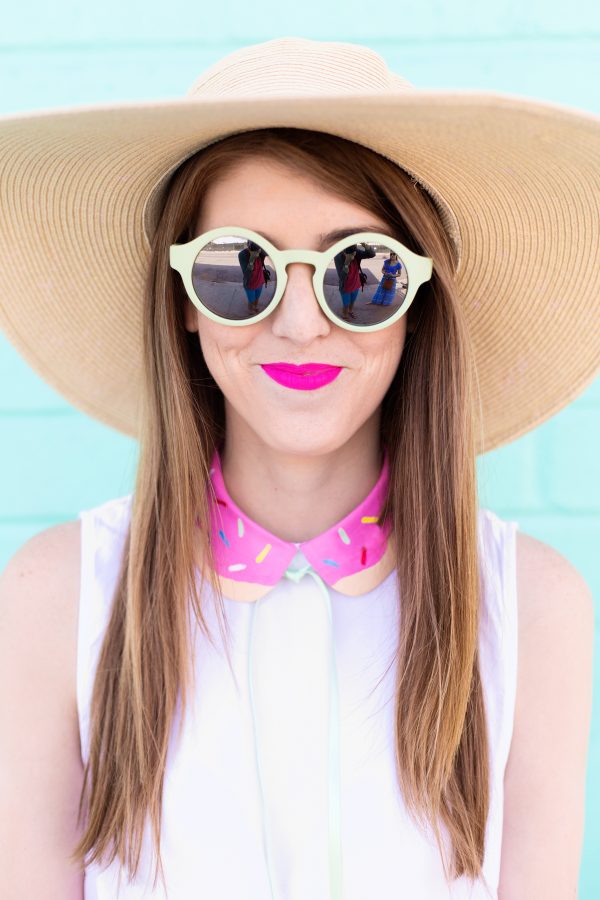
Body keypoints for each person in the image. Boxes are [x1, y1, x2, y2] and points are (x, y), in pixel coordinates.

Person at [0, 37, 597, 900]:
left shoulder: (532, 607)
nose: (301, 322)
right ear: (185, 310)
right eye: (242, 272)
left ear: (417, 306)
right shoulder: (58, 598)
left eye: (362, 273)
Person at [333, 240, 376, 320]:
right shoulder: (338, 256)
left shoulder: (355, 251)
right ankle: (345, 315)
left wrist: (364, 244)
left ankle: (350, 311)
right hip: (345, 287)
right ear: (344, 252)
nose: (354, 255)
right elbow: (342, 277)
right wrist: (346, 263)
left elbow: (372, 254)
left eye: (355, 253)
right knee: (346, 304)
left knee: (352, 301)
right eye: (352, 254)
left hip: (356, 284)